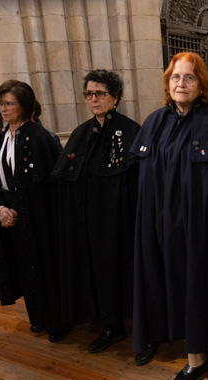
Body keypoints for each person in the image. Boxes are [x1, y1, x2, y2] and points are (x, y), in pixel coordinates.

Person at [130, 52, 208, 380]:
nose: (180, 83)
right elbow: (147, 180)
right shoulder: (156, 121)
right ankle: (196, 359)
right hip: (168, 229)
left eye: (189, 77)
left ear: (202, 84)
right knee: (182, 290)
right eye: (175, 77)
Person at [52, 70, 141, 354]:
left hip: (117, 221)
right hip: (86, 221)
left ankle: (121, 326)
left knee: (117, 271)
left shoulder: (130, 130)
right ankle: (101, 320)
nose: (94, 99)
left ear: (115, 97)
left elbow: (137, 181)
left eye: (100, 93)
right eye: (89, 94)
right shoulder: (82, 132)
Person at [0, 80, 67, 340]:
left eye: (9, 104)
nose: (3, 109)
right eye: (1, 104)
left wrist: (15, 209)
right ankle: (37, 316)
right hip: (7, 213)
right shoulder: (0, 138)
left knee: (42, 266)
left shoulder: (39, 136)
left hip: (36, 215)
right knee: (22, 265)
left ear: (24, 106)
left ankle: (57, 321)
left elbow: (44, 184)